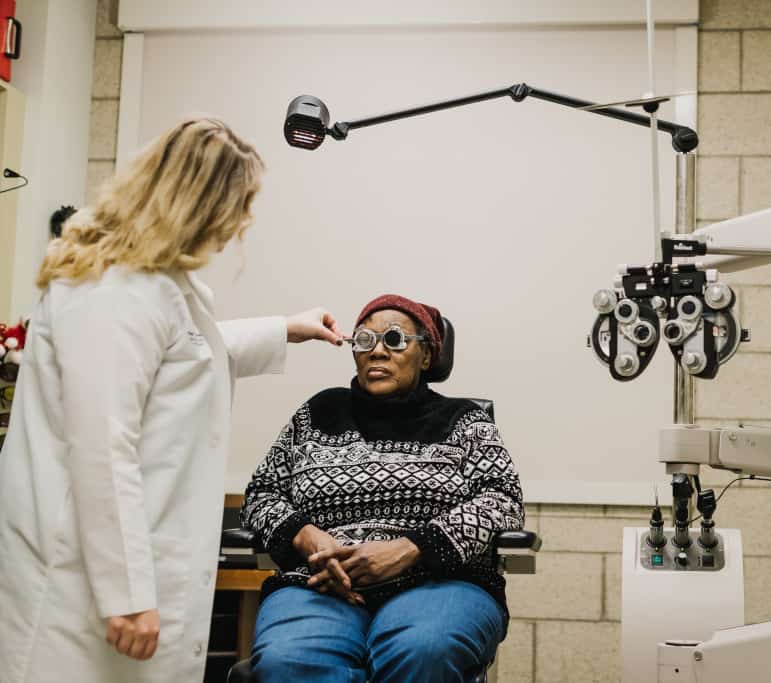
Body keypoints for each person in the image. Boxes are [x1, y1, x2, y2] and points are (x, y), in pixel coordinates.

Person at [0, 117, 344, 683]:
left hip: (121, 569)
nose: (237, 227)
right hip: (78, 581)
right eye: (236, 209)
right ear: (199, 205)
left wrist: (285, 327)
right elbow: (102, 447)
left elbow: (180, 353)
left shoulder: (149, 281)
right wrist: (129, 594)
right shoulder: (110, 286)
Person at [241, 294, 525, 683]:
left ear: (426, 356)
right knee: (287, 661)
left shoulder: (465, 422)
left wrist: (411, 548)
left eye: (394, 340)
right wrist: (307, 538)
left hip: (437, 583)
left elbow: (503, 501)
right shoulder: (318, 412)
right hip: (323, 586)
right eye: (363, 341)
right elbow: (262, 492)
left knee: (422, 650)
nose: (377, 352)